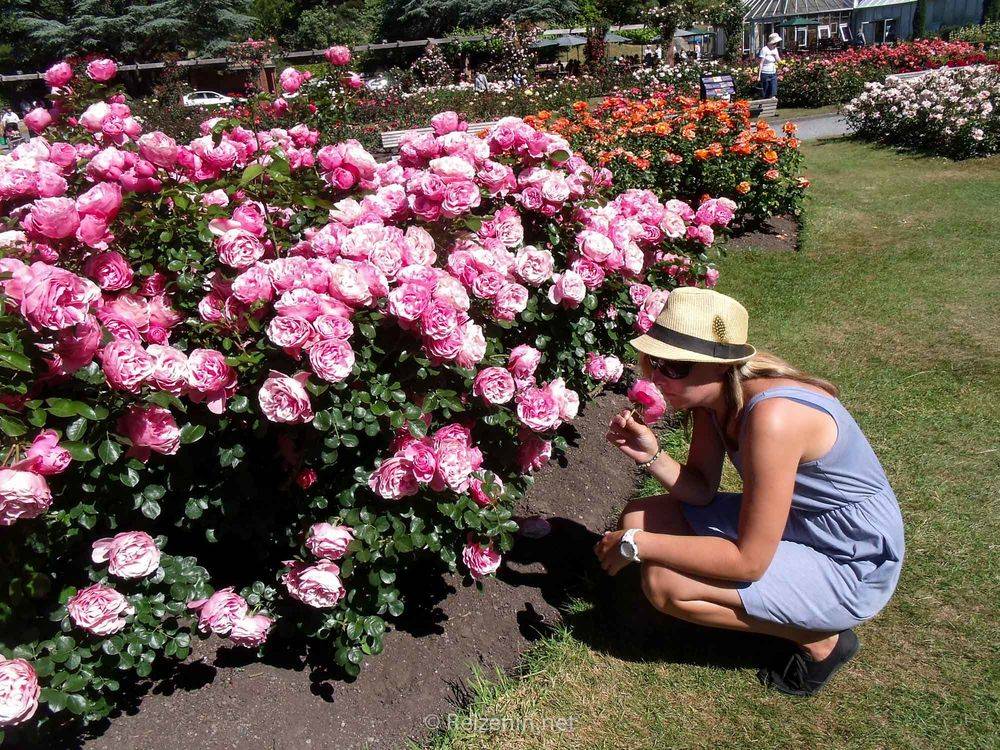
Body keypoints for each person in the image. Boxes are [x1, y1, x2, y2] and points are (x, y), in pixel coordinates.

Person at [596, 287, 904, 696]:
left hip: (852, 555)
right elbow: (702, 491)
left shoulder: (772, 419)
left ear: (720, 366)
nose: (655, 378)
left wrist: (638, 545)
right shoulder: (715, 398)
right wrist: (652, 456)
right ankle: (788, 609)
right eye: (653, 362)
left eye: (673, 367)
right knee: (641, 514)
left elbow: (747, 563)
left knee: (665, 584)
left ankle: (821, 640)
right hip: (801, 521)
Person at [758, 32, 782, 99]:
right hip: (765, 73)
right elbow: (761, 63)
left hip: (773, 72)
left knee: (773, 90)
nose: (775, 45)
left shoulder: (775, 49)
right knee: (766, 91)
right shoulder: (764, 49)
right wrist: (759, 76)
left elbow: (778, 60)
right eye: (774, 43)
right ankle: (764, 105)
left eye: (776, 43)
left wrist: (783, 63)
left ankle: (772, 102)